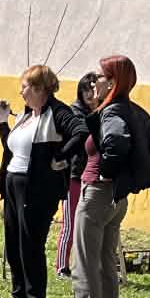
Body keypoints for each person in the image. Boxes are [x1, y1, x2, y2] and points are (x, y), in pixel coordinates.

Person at [65, 54, 150, 298]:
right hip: (116, 199)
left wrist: (108, 172)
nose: (93, 82)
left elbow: (117, 142)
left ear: (112, 82)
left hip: (98, 193)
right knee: (106, 264)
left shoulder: (111, 112)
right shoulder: (133, 110)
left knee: (85, 263)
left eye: (99, 76)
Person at [0, 65, 85, 298]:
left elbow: (81, 133)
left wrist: (60, 156)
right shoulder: (26, 115)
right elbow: (11, 148)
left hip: (37, 189)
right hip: (13, 184)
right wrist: (2, 122)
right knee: (14, 245)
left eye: (24, 87)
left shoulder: (57, 112)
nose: (20, 92)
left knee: (30, 246)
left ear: (38, 88)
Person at [54, 72, 102, 278]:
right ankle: (62, 266)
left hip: (95, 177)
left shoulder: (104, 112)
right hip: (74, 175)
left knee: (90, 225)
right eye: (85, 90)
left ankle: (86, 266)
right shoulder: (75, 113)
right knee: (70, 223)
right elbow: (84, 138)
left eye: (93, 89)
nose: (90, 94)